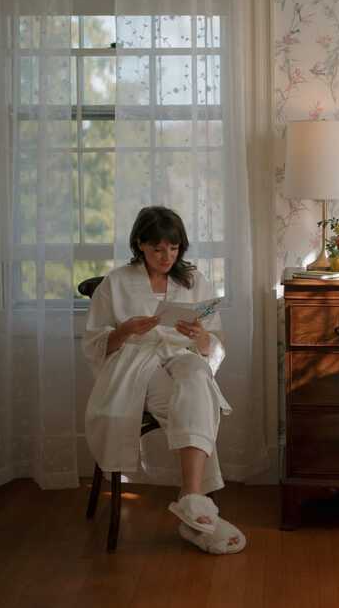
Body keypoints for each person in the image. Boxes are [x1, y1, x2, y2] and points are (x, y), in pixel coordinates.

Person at [83, 205, 245, 555]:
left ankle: (191, 498)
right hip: (133, 362)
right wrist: (124, 330)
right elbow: (94, 345)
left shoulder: (193, 280)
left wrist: (200, 336)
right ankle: (197, 504)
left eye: (174, 248)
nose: (167, 256)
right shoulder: (116, 282)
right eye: (158, 248)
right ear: (140, 244)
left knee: (198, 375)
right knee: (197, 401)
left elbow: (213, 345)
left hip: (181, 355)